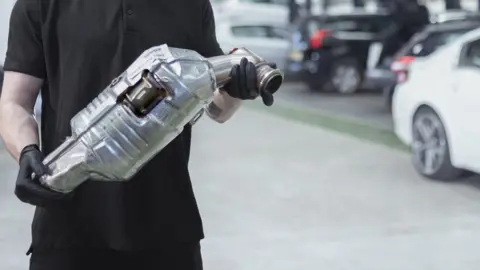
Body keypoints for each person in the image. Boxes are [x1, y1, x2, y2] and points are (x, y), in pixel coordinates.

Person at [0, 0, 276, 269]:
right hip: (68, 227)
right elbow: (15, 102)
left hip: (167, 227)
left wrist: (237, 92)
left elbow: (217, 109)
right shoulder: (41, 4)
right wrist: (26, 151)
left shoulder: (191, 5)